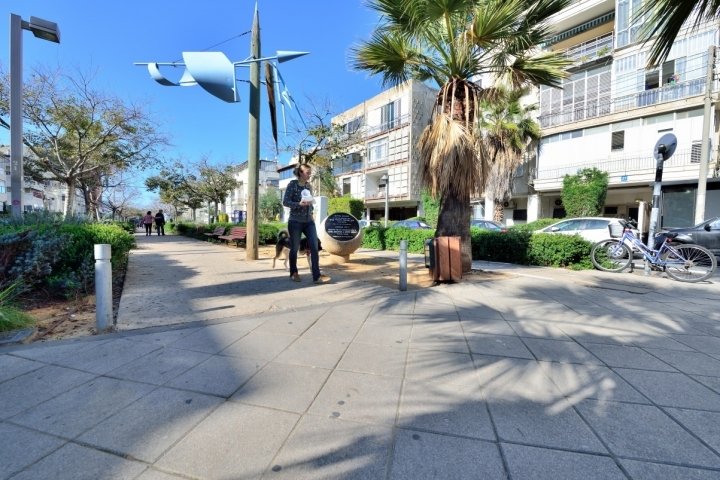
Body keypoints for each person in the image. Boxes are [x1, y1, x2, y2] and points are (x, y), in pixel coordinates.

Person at [282, 163, 330, 284]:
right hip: (295, 221)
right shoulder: (292, 185)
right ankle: (294, 273)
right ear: (300, 173)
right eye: (307, 172)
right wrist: (298, 204)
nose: (309, 175)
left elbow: (310, 202)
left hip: (308, 221)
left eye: (310, 172)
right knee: (294, 248)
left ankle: (316, 276)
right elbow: (286, 202)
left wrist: (311, 212)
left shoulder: (308, 186)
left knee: (314, 247)